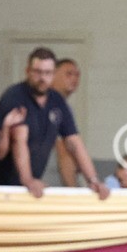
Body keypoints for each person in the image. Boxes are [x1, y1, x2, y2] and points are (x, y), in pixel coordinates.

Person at [0, 47, 109, 199]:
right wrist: (27, 179)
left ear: (53, 74)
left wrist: (93, 180)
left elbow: (74, 142)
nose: (42, 78)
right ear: (27, 71)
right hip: (2, 185)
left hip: (31, 185)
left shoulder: (57, 100)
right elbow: (18, 141)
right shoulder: (15, 96)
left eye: (47, 73)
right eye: (37, 72)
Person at [52, 58, 82, 187]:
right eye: (69, 74)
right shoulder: (52, 106)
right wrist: (73, 189)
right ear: (53, 75)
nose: (74, 79)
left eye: (77, 75)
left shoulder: (65, 107)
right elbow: (63, 150)